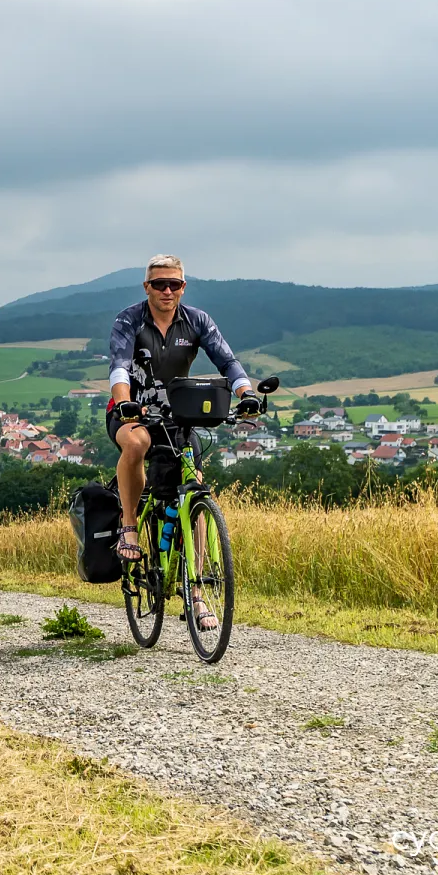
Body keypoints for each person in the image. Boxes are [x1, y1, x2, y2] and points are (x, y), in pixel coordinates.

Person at [107, 254, 258, 629]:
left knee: (196, 492)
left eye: (174, 283)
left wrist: (245, 392)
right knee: (137, 445)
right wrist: (125, 400)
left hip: (177, 418)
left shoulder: (197, 321)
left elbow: (227, 360)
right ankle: (129, 526)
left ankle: (197, 593)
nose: (167, 290)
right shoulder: (130, 320)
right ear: (147, 287)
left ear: (183, 286)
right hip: (133, 413)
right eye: (159, 284)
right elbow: (119, 365)